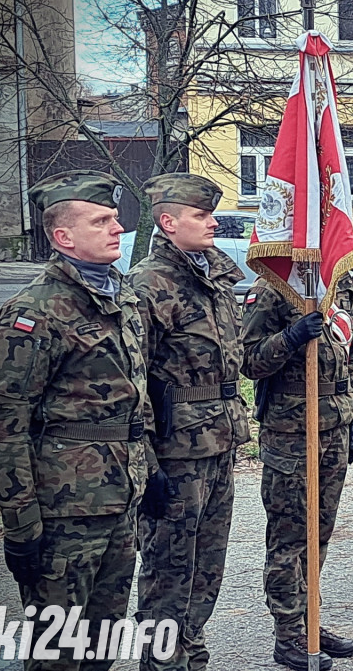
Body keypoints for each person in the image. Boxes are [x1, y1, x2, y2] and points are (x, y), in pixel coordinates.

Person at [0, 170, 150, 671]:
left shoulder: (122, 297)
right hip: (63, 512)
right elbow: (2, 424)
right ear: (63, 237)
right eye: (101, 221)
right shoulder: (34, 311)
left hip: (120, 498)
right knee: (56, 653)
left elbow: (133, 399)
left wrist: (149, 471)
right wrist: (21, 524)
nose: (118, 228)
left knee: (102, 646)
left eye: (116, 218)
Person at [128, 173, 251, 671]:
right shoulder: (148, 285)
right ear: (168, 221)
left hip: (219, 438)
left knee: (208, 562)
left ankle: (191, 649)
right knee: (168, 565)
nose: (212, 221)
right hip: (174, 448)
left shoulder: (215, 277)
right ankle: (161, 661)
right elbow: (135, 381)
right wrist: (146, 463)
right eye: (201, 215)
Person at [241, 268, 353, 669]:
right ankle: (289, 633)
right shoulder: (270, 290)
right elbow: (250, 361)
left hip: (335, 426)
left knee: (320, 533)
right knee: (290, 537)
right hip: (292, 431)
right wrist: (290, 338)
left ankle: (311, 619)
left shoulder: (331, 285)